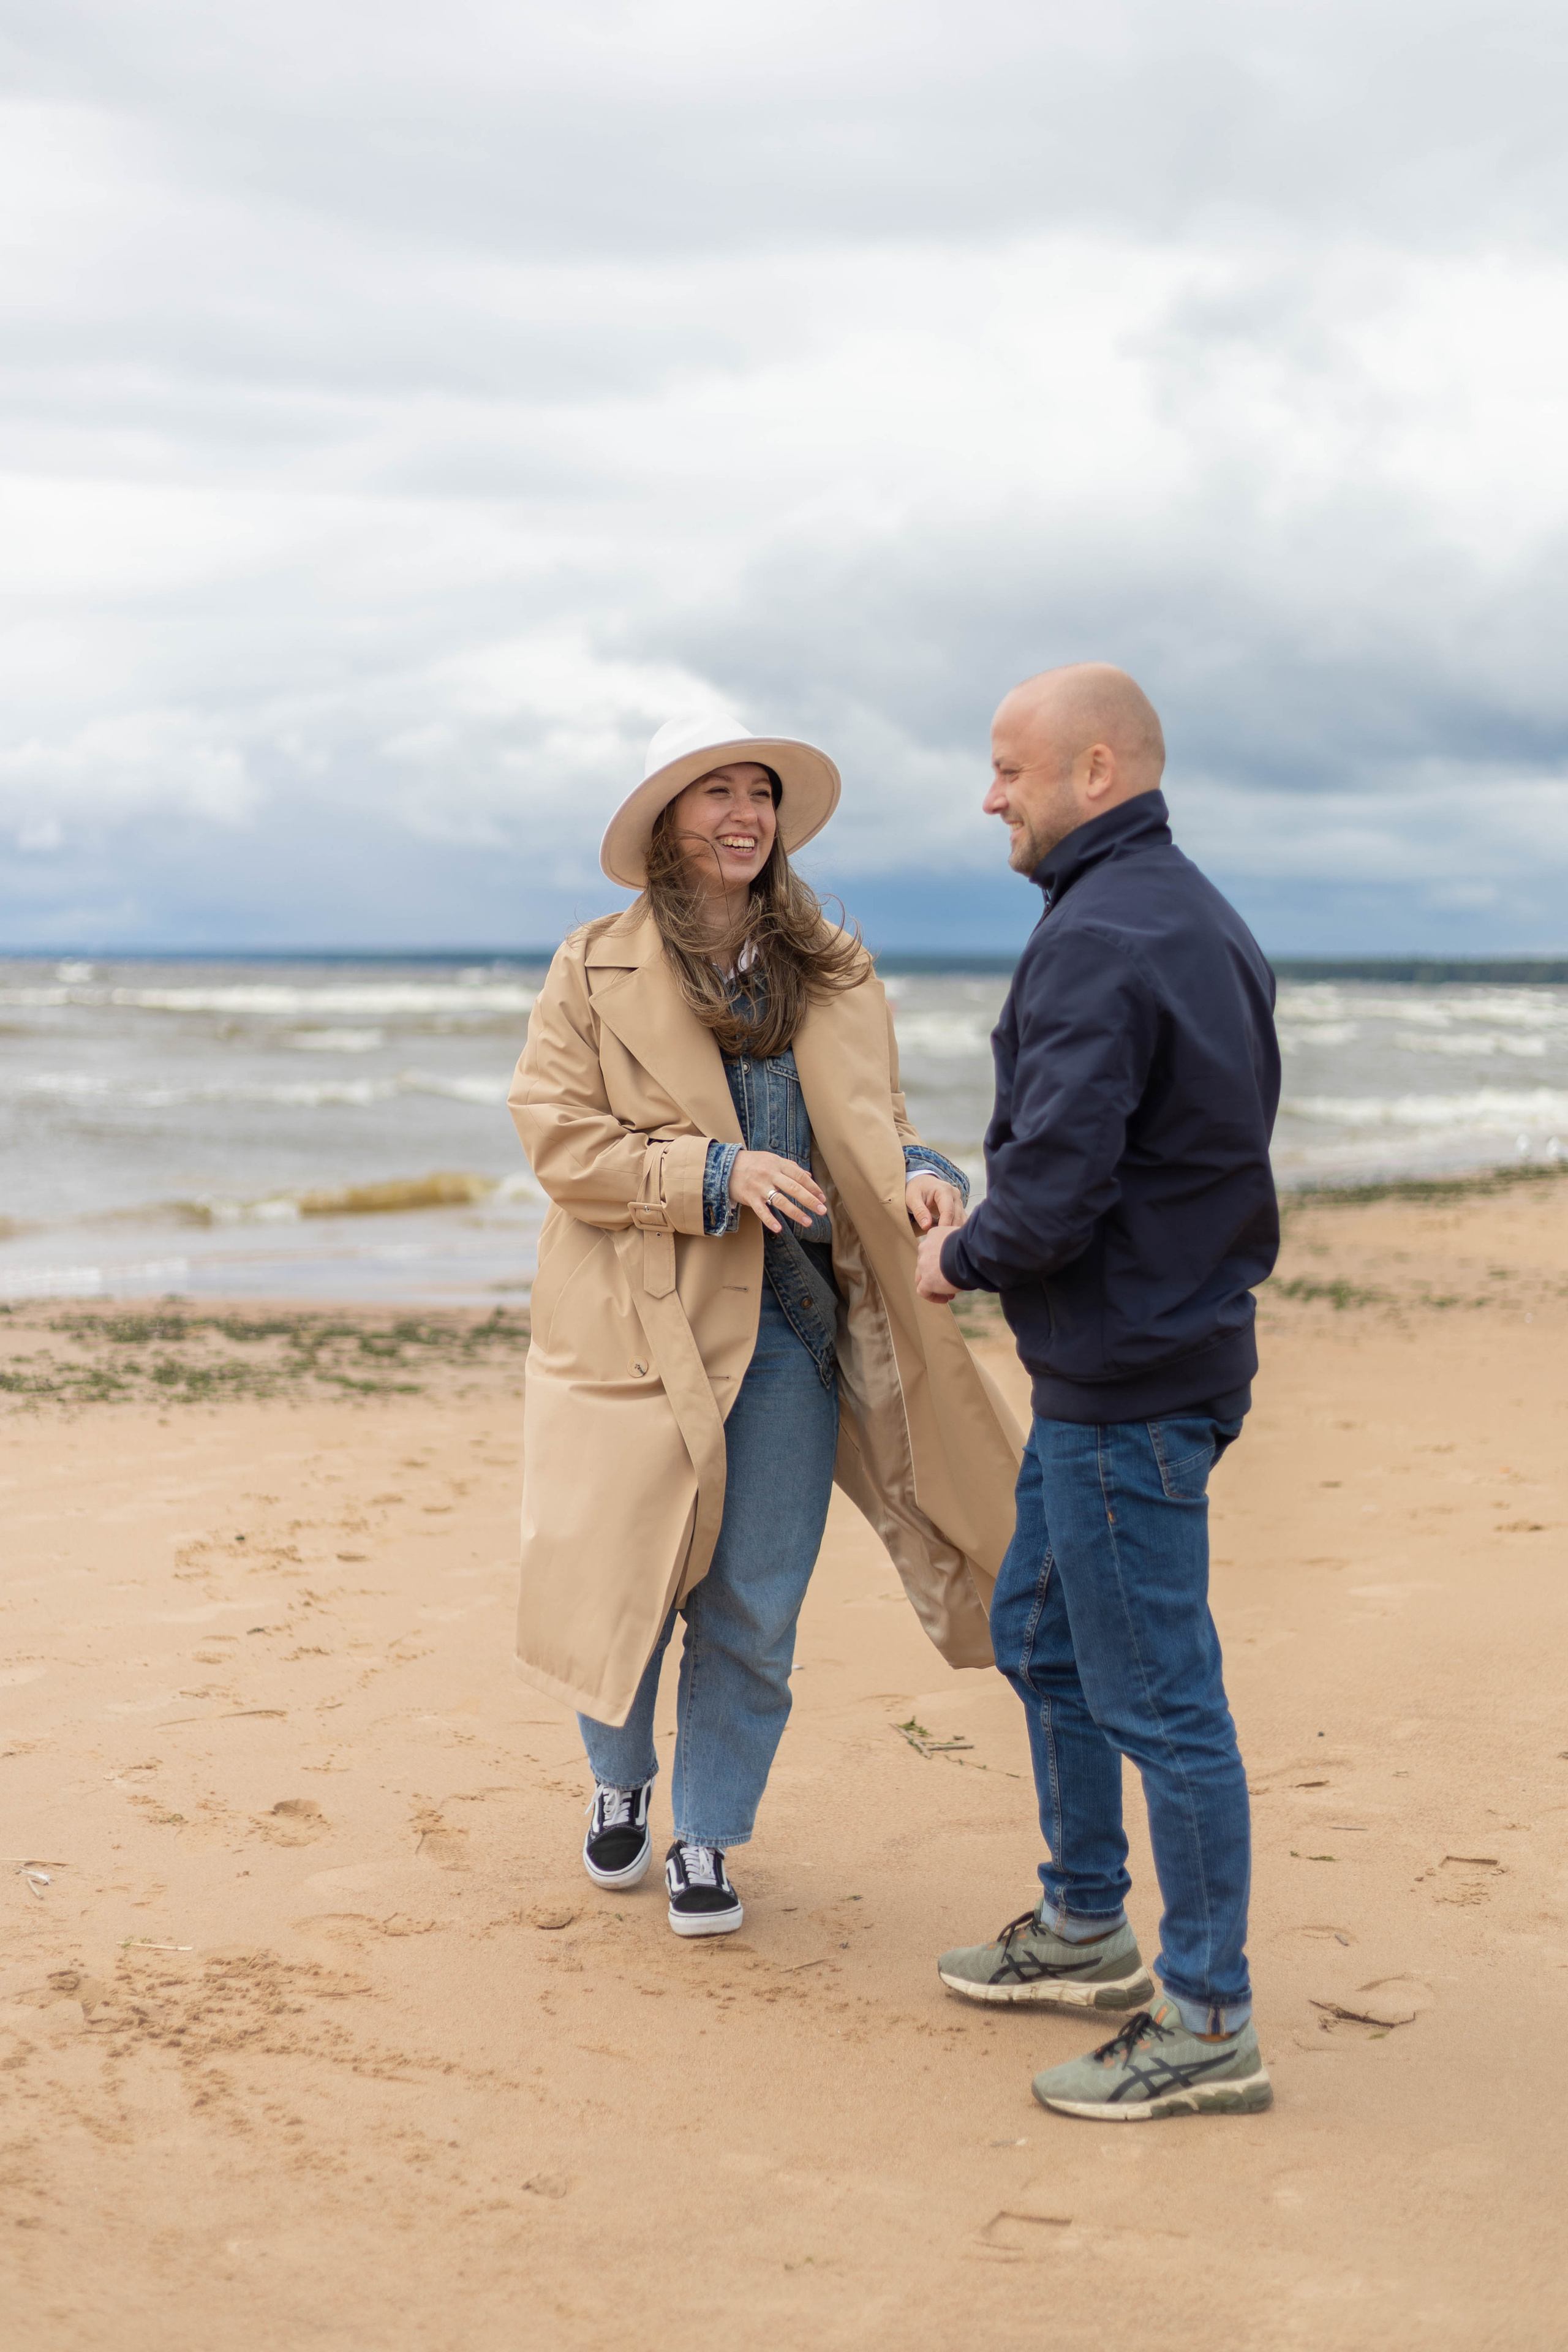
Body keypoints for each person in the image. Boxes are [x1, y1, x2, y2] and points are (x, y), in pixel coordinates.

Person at [509, 712, 1022, 1937]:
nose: (744, 813)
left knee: (753, 1598)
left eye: (760, 794)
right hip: (642, 1323)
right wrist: (710, 1174)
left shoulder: (832, 964)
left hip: (793, 1328)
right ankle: (618, 1780)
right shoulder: (589, 967)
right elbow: (560, 1141)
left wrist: (921, 1172)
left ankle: (708, 1835)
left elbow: (871, 1120)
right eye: (715, 793)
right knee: (623, 1576)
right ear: (665, 825)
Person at [915, 663, 1281, 2120]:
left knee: (1159, 1696)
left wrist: (961, 1256)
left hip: (1130, 1378)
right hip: (1133, 1360)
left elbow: (1057, 1186)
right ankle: (1085, 1925)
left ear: (1097, 772)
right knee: (1042, 1633)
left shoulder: (1107, 933)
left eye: (1009, 769)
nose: (987, 795)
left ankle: (1205, 2021)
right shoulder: (1179, 911)